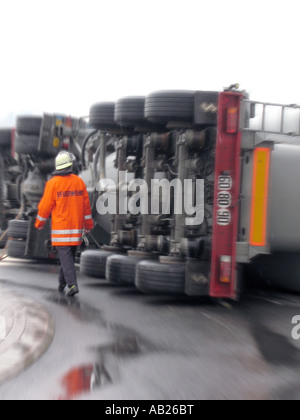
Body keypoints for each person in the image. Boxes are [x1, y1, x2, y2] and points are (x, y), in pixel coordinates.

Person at [35, 152, 94, 297]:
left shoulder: (52, 184)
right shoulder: (79, 182)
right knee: (68, 257)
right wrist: (88, 225)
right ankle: (62, 282)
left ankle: (72, 285)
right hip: (75, 229)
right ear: (70, 165)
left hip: (61, 231)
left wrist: (39, 223)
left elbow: (44, 207)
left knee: (65, 257)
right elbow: (86, 207)